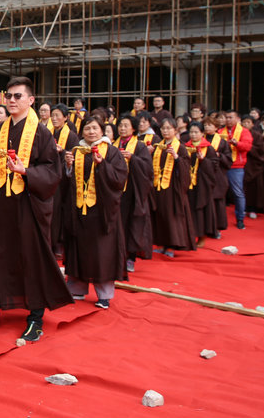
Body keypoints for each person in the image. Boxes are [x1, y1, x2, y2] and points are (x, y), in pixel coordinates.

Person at [0, 77, 73, 343]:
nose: (12, 100)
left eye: (18, 96)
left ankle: (35, 317)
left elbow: (53, 171)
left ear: (31, 100)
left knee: (30, 257)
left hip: (26, 206)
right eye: (9, 96)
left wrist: (26, 171)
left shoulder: (41, 133)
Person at [63, 117, 127, 308]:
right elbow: (66, 181)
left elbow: (119, 179)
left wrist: (102, 165)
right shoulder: (77, 151)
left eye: (95, 129)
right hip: (79, 209)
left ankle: (104, 294)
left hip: (102, 211)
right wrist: (67, 166)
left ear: (103, 131)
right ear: (82, 132)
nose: (91, 132)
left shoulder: (112, 152)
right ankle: (77, 288)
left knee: (102, 252)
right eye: (88, 129)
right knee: (79, 248)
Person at [151, 119, 196, 257]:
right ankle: (162, 243)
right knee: (161, 215)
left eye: (169, 128)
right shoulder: (159, 146)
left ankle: (172, 246)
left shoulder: (180, 147)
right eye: (163, 128)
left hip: (173, 187)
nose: (165, 131)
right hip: (159, 186)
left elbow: (186, 167)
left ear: (175, 130)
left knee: (172, 216)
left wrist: (176, 158)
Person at [115, 115, 153, 272]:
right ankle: (118, 255)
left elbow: (147, 169)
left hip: (132, 190)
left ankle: (130, 257)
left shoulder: (139, 146)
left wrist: (133, 159)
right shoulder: (113, 145)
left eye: (126, 125)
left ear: (133, 128)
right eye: (120, 125)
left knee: (131, 224)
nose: (122, 128)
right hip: (117, 191)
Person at [49, 104, 79, 260]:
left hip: (65, 180)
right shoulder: (49, 133)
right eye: (52, 115)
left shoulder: (72, 136)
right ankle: (51, 241)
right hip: (51, 176)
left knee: (62, 209)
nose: (54, 119)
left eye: (57, 115)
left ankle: (60, 241)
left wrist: (62, 152)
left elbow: (74, 157)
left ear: (66, 118)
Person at [186, 122, 222, 247]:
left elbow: (215, 165)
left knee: (201, 211)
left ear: (202, 133)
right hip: (188, 184)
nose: (193, 134)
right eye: (191, 132)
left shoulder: (208, 148)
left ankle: (201, 237)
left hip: (202, 184)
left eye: (196, 132)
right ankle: (189, 237)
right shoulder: (185, 146)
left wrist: (203, 161)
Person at [220, 110, 253, 229]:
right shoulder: (220, 131)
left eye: (231, 117)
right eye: (227, 117)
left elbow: (248, 147)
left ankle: (240, 219)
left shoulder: (244, 131)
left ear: (237, 119)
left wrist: (237, 143)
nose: (228, 120)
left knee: (238, 193)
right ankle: (219, 219)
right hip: (222, 165)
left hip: (236, 166)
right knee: (219, 192)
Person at [203, 117, 232, 235]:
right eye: (205, 125)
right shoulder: (200, 139)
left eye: (210, 125)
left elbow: (229, 159)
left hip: (217, 175)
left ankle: (216, 228)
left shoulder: (222, 142)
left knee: (217, 202)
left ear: (216, 127)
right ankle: (204, 228)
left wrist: (219, 155)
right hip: (203, 174)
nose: (207, 127)